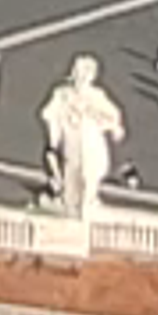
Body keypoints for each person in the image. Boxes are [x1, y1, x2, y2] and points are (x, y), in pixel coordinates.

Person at [40, 54, 125, 229]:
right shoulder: (62, 94)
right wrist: (53, 139)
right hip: (72, 147)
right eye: (77, 72)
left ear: (91, 76)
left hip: (91, 147)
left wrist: (112, 127)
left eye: (84, 74)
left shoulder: (96, 96)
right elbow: (48, 115)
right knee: (72, 185)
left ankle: (86, 211)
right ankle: (71, 214)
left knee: (89, 180)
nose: (80, 77)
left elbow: (113, 115)